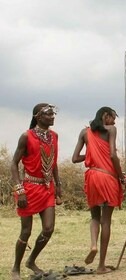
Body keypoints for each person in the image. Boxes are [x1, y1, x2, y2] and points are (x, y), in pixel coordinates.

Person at [72, 107, 126, 274]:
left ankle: (93, 244)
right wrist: (122, 177)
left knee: (94, 216)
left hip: (92, 176)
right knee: (106, 220)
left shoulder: (84, 132)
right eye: (113, 118)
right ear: (105, 115)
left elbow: (75, 158)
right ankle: (101, 265)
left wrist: (91, 154)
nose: (114, 122)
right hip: (107, 176)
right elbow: (112, 155)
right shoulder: (111, 130)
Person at [11, 103, 61, 280]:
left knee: (48, 229)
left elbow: (53, 163)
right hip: (29, 188)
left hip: (48, 188)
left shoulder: (54, 136)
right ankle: (15, 268)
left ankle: (31, 261)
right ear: (38, 117)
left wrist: (59, 186)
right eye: (49, 114)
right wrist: (20, 190)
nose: (52, 116)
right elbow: (14, 164)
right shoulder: (26, 136)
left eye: (53, 113)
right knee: (26, 232)